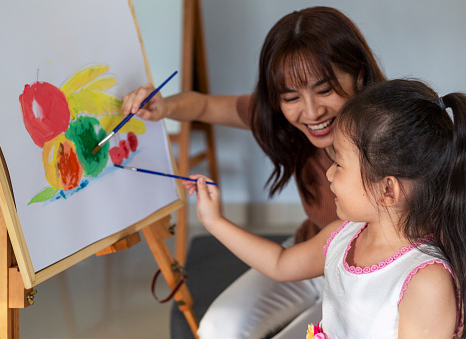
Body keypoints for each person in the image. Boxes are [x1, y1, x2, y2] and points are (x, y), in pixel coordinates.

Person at [123, 7, 386, 338]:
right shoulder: (280, 120)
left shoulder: (390, 144)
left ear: (359, 76)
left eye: (324, 90)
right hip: (309, 255)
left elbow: (283, 264)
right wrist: (163, 107)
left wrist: (215, 221)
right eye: (291, 96)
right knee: (217, 329)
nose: (311, 111)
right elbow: (203, 106)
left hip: (363, 280)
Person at [184, 79, 466, 338]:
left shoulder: (426, 281)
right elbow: (280, 263)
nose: (329, 174)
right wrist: (215, 222)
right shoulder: (344, 236)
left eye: (339, 164)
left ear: (387, 190)